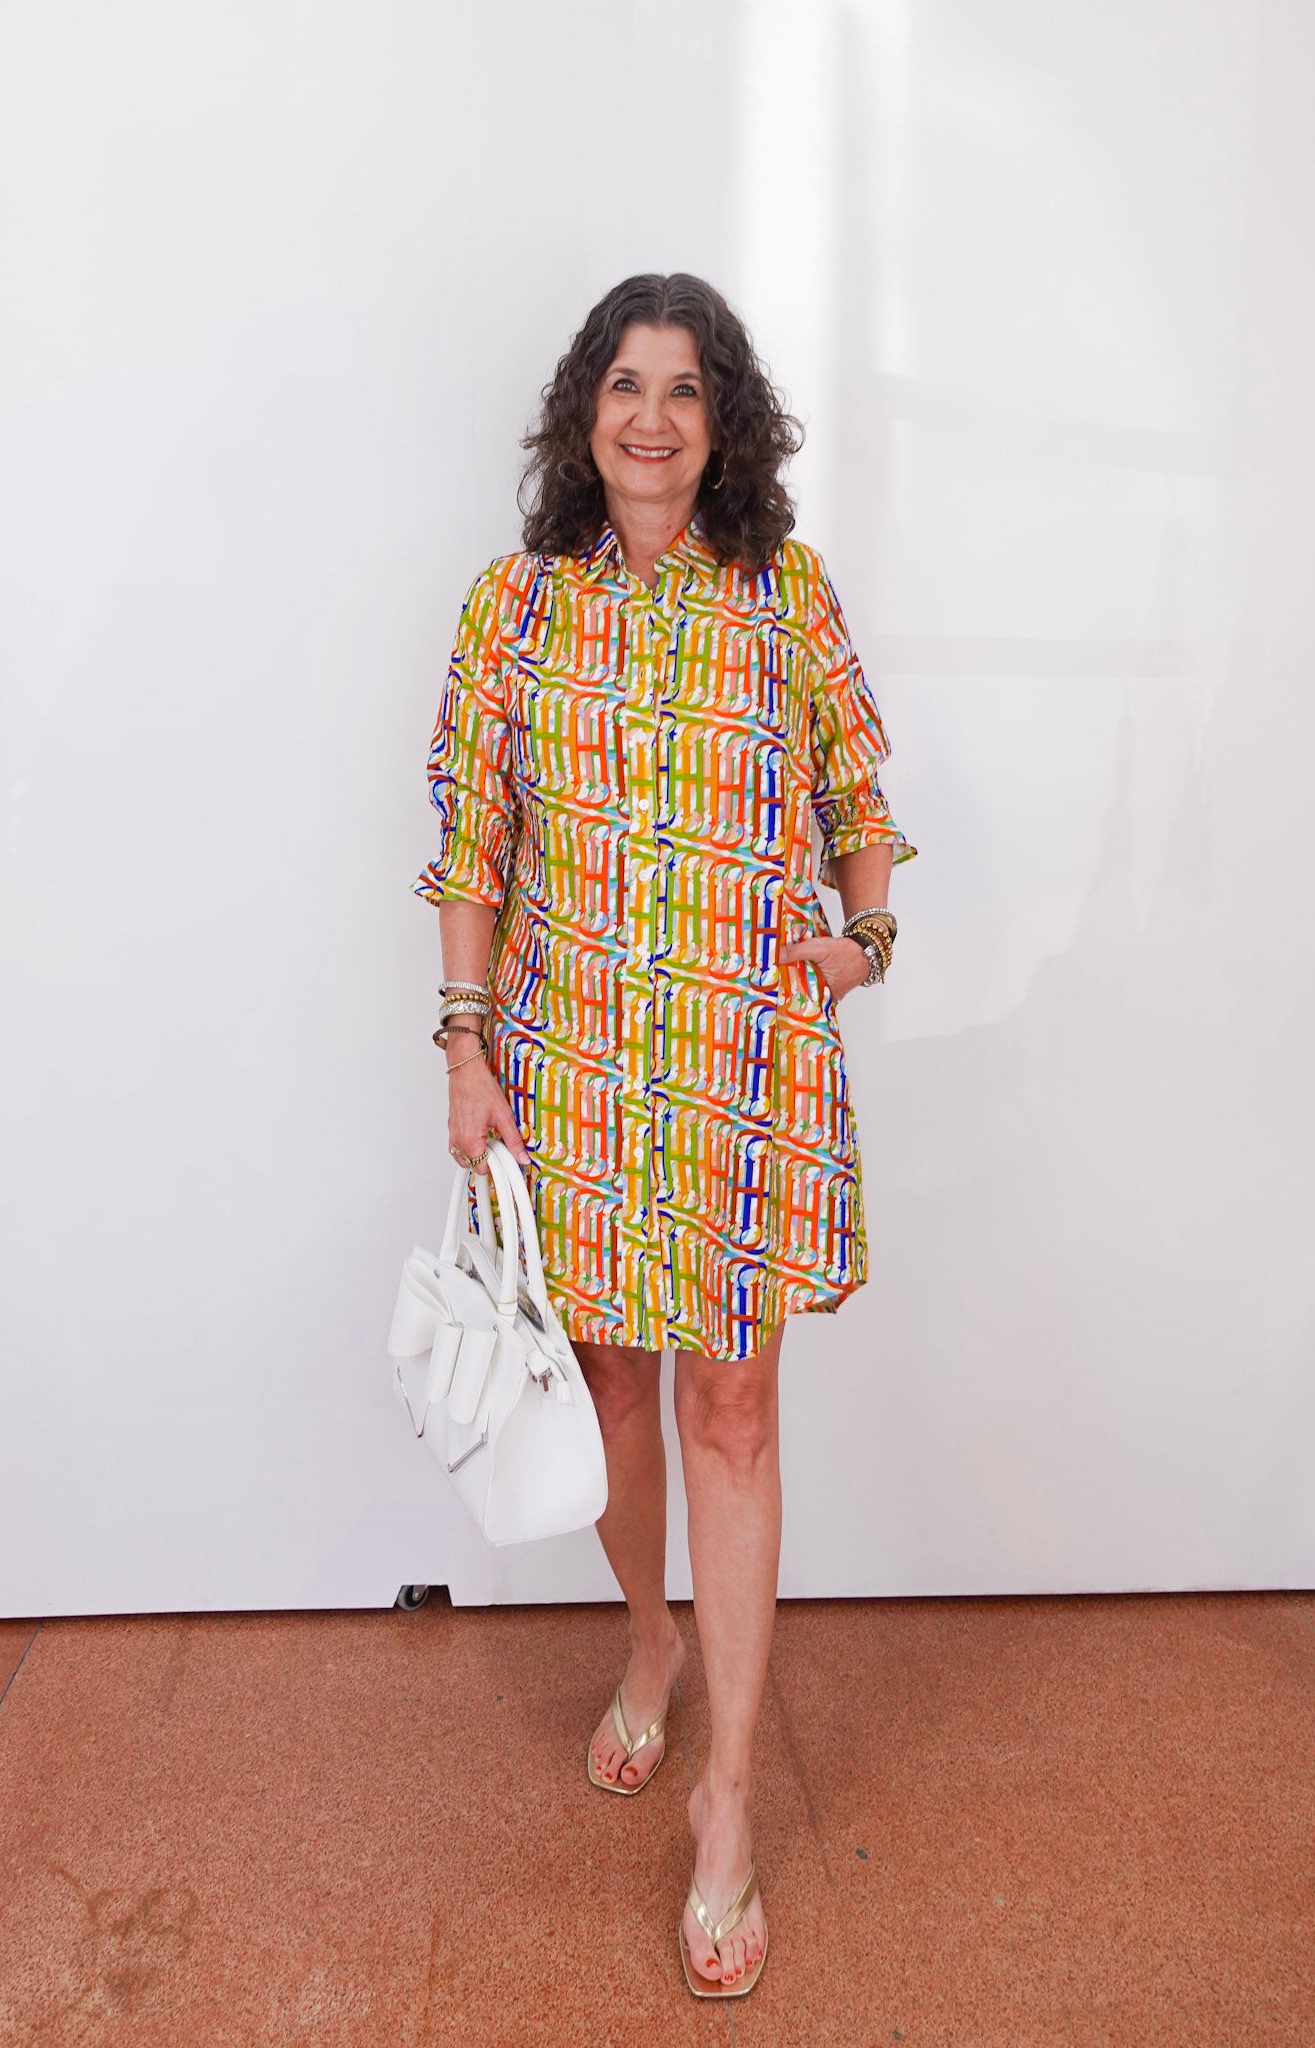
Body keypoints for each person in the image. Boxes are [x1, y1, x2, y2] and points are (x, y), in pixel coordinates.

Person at [411, 273, 917, 1999]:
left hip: (744, 1079)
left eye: (685, 390)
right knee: (613, 1392)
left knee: (732, 1401)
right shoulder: (510, 610)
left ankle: (727, 1801)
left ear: (725, 424)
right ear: (583, 415)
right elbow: (468, 846)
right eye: (624, 386)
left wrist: (860, 943)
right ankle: (650, 1643)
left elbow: (865, 805)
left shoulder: (783, 598)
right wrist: (465, 1047)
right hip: (569, 1082)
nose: (652, 418)